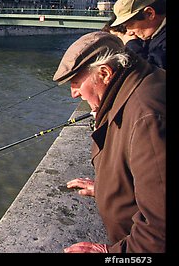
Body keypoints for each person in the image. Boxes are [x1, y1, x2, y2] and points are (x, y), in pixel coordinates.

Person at [53, 31, 165, 253]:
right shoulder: (136, 85)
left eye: (76, 82)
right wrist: (109, 189)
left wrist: (112, 253)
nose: (74, 93)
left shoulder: (147, 117)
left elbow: (160, 229)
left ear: (104, 73)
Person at [109, 0, 166, 69]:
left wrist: (132, 44)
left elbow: (151, 74)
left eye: (130, 25)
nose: (129, 32)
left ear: (150, 14)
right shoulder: (154, 35)